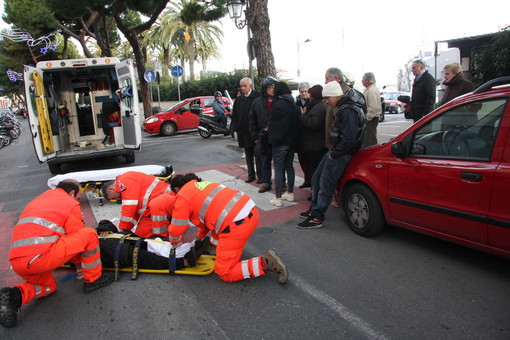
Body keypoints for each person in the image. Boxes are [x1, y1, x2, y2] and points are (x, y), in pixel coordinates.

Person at [0, 179, 115, 328]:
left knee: (48, 287)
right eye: (79, 198)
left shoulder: (40, 200)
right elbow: (76, 235)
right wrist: (79, 267)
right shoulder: (69, 203)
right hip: (41, 258)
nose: (78, 201)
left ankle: (13, 296)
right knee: (88, 234)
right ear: (72, 193)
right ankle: (93, 280)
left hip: (17, 262)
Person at [167, 173, 288, 283]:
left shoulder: (182, 197)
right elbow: (205, 221)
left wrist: (175, 246)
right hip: (250, 213)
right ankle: (215, 247)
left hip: (236, 226)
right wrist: (199, 239)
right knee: (214, 227)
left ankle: (266, 263)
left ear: (177, 189)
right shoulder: (201, 185)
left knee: (225, 273)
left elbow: (176, 228)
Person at [298, 79, 366, 229]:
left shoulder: (348, 110)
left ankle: (317, 216)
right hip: (337, 150)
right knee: (317, 179)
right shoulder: (345, 107)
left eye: (328, 98)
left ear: (335, 95)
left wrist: (335, 153)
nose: (326, 102)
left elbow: (349, 138)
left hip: (341, 152)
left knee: (325, 184)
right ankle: (314, 210)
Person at [101, 171, 172, 238]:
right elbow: (133, 214)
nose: (117, 199)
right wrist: (126, 230)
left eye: (114, 197)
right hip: (151, 211)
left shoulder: (125, 180)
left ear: (110, 189)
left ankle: (162, 239)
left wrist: (122, 230)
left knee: (158, 231)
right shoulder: (126, 188)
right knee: (140, 236)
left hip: (167, 201)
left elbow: (129, 208)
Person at [268, 81, 300, 207]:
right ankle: (290, 193)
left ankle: (278, 197)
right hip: (291, 141)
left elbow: (274, 124)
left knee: (279, 168)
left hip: (280, 142)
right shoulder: (293, 104)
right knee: (289, 166)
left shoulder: (278, 104)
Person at [249, 76, 279, 193]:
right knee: (265, 161)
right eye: (270, 87)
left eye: (274, 87)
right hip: (263, 138)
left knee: (279, 162)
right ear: (264, 89)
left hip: (277, 138)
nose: (272, 89)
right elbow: (252, 120)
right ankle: (266, 182)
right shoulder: (257, 103)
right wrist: (255, 137)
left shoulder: (280, 100)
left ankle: (281, 183)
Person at [230, 77, 262, 183]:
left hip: (256, 132)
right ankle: (251, 175)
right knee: (248, 156)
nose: (243, 88)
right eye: (241, 86)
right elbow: (234, 116)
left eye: (245, 86)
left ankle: (261, 176)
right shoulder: (238, 100)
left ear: (250, 86)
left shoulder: (258, 96)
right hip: (243, 132)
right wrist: (235, 128)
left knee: (258, 156)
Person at [298, 85, 327, 189]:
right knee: (313, 167)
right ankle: (313, 187)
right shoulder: (316, 105)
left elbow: (313, 124)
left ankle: (316, 191)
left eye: (308, 92)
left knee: (316, 168)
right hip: (313, 143)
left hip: (315, 143)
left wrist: (303, 116)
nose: (306, 94)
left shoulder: (318, 106)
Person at [361, 72, 382, 147]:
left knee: (370, 140)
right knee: (368, 139)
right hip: (371, 118)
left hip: (371, 119)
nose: (361, 80)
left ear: (367, 80)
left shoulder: (371, 90)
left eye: (363, 79)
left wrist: (367, 118)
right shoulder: (370, 89)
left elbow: (373, 107)